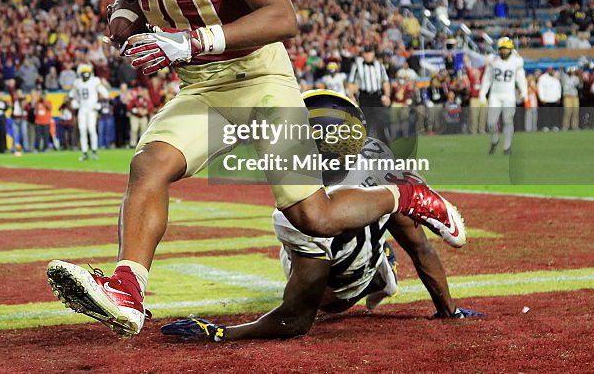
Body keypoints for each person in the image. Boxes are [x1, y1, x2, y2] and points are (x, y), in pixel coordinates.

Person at [46, 0, 466, 338]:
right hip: (203, 85)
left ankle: (404, 197)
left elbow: (282, 18)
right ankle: (128, 289)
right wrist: (122, 21)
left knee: (314, 217)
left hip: (258, 77)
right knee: (148, 166)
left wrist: (187, 43)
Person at [161, 91, 480, 342]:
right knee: (389, 211)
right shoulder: (376, 154)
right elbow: (420, 247)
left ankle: (375, 263)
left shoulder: (295, 211)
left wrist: (221, 333)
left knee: (310, 259)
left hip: (338, 294)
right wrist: (450, 312)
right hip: (369, 235)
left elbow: (296, 319)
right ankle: (377, 256)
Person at [481, 36, 526, 155]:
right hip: (495, 94)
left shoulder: (516, 61)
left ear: (510, 49)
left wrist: (524, 91)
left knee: (508, 120)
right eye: (502, 48)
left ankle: (507, 147)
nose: (504, 51)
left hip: (509, 95)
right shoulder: (493, 60)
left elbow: (521, 78)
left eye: (506, 48)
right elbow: (487, 78)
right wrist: (483, 92)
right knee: (491, 123)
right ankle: (495, 140)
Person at [70, 63, 108, 161]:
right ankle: (85, 152)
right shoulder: (77, 83)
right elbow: (73, 95)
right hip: (82, 109)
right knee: (82, 130)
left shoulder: (95, 81)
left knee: (91, 130)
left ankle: (94, 151)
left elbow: (105, 94)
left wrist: (99, 103)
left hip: (91, 110)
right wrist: (75, 102)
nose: (85, 75)